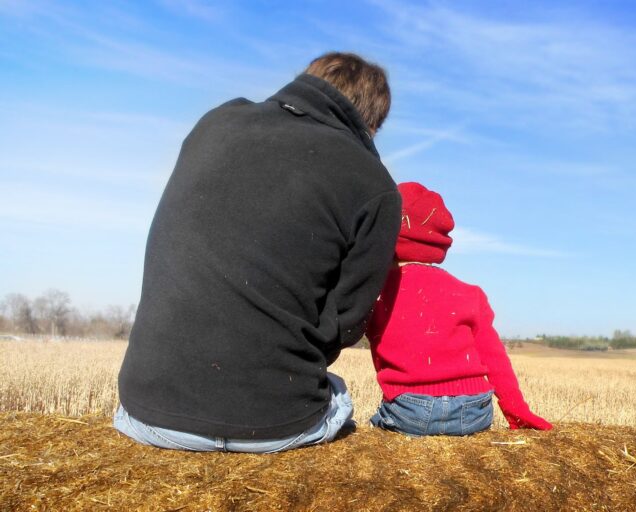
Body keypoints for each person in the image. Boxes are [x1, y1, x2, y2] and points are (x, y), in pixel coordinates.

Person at [114, 52, 402, 453]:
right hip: (274, 424)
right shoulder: (376, 185)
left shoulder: (215, 122)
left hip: (144, 412)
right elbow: (346, 323)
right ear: (370, 124)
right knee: (338, 394)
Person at [366, 182, 552, 436]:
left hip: (411, 409)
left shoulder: (378, 293)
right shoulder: (470, 293)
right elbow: (494, 358)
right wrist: (517, 410)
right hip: (475, 409)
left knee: (370, 426)